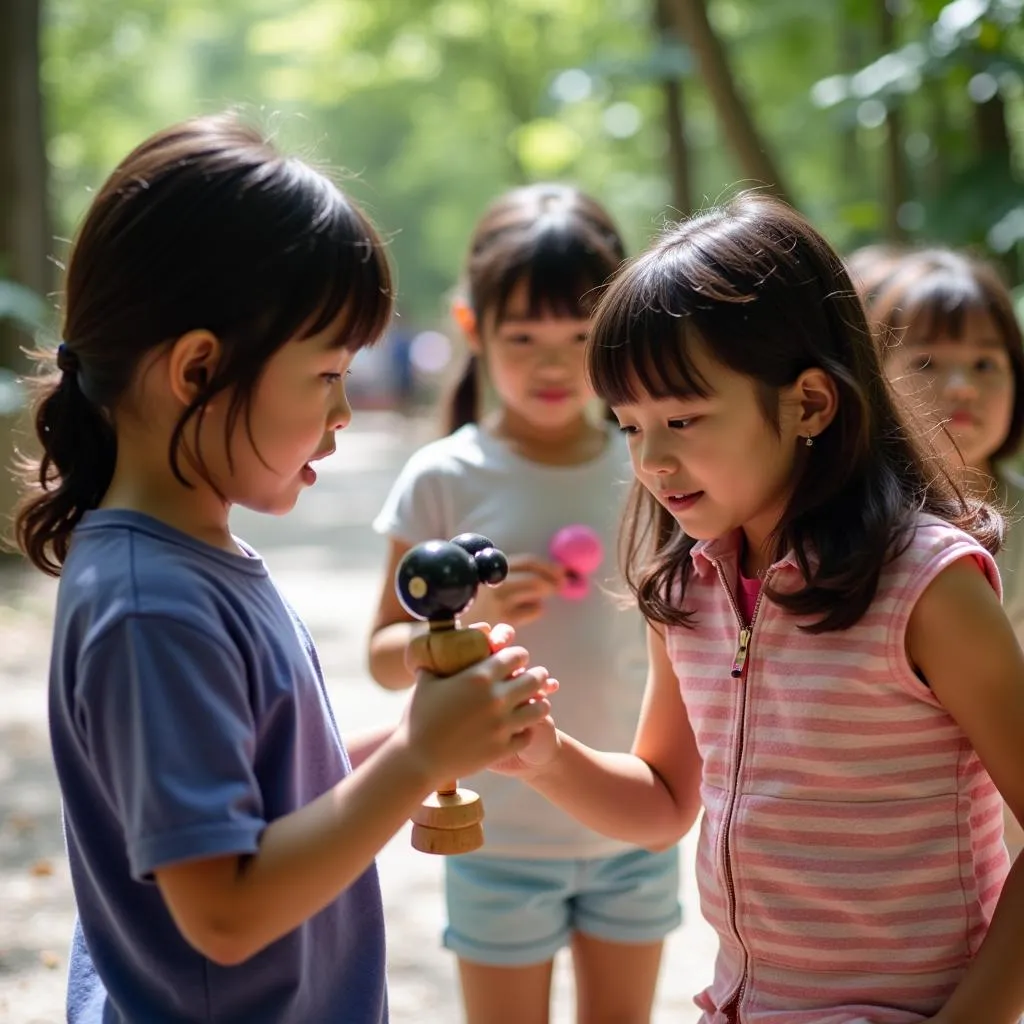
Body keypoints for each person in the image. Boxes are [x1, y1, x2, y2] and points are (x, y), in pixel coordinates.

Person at [13, 113, 552, 1024]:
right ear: (197, 369)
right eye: (327, 375)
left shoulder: (195, 559)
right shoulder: (153, 608)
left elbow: (268, 800)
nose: (344, 413)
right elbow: (224, 910)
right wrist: (423, 751)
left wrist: (435, 743)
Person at [501, 195, 1024, 1022]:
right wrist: (540, 752)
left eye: (682, 418)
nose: (652, 460)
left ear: (810, 403)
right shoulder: (686, 586)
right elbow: (664, 800)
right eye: (630, 427)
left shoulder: (928, 585)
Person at [367, 183, 681, 1024]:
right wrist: (457, 628)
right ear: (472, 330)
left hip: (632, 816)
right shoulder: (441, 478)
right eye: (523, 338)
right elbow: (383, 655)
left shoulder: (655, 465)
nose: (553, 363)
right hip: (496, 835)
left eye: (581, 337)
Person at [863, 245, 1024, 864]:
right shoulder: (861, 537)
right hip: (914, 867)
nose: (962, 387)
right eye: (928, 361)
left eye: (987, 363)